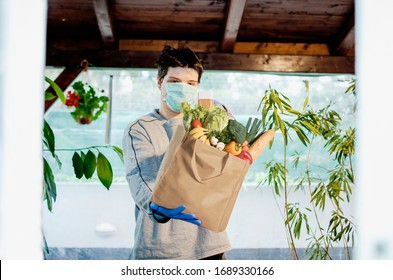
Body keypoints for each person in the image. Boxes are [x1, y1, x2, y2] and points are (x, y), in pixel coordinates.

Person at [122, 46, 231, 260]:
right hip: (162, 249)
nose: (183, 89)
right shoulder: (141, 128)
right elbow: (140, 179)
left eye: (191, 84)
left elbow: (228, 163)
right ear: (160, 82)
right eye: (174, 82)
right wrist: (156, 207)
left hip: (210, 245)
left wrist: (224, 119)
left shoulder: (209, 123)